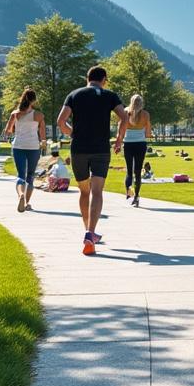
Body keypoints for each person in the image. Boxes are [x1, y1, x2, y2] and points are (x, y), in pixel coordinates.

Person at [57, 66, 131, 256]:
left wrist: (72, 133)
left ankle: (88, 232)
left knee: (84, 191)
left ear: (87, 78)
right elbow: (124, 117)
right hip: (100, 149)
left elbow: (60, 121)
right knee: (97, 191)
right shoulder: (110, 96)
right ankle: (90, 233)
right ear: (104, 79)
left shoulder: (74, 95)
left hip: (79, 149)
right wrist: (119, 139)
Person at [4, 89, 46, 212]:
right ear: (34, 100)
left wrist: (14, 130)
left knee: (20, 175)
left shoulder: (15, 114)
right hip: (33, 146)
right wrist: (43, 142)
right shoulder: (38, 115)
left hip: (18, 146)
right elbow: (42, 131)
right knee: (30, 175)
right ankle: (27, 203)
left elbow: (7, 131)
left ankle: (20, 195)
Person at [122, 94, 154, 208]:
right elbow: (148, 133)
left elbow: (121, 129)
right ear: (141, 103)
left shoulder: (125, 112)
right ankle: (136, 196)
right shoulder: (145, 114)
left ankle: (128, 191)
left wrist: (119, 140)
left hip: (128, 143)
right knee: (138, 171)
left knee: (129, 171)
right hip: (140, 144)